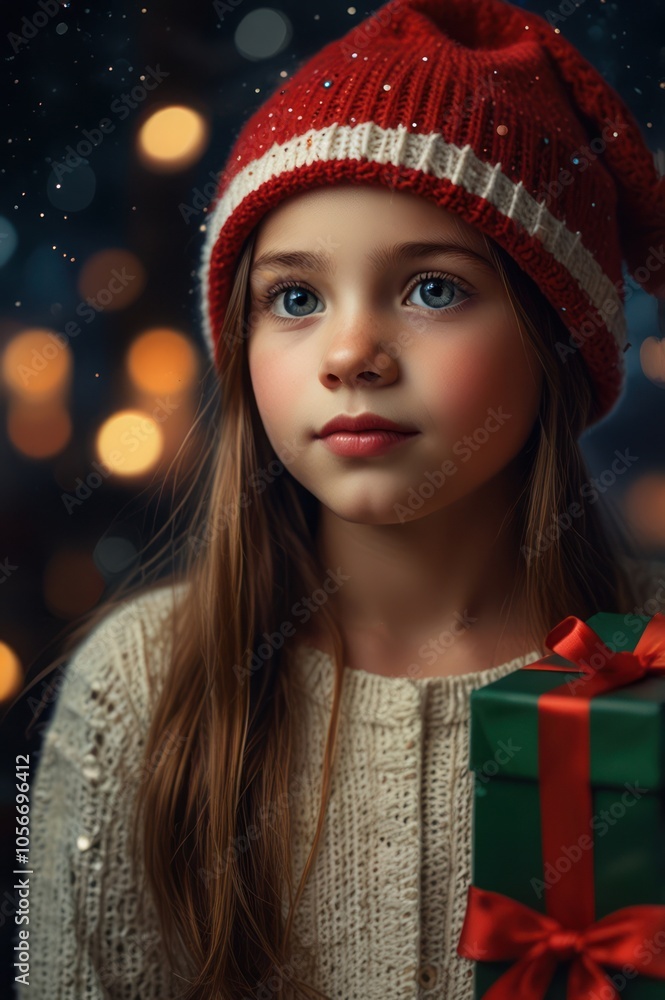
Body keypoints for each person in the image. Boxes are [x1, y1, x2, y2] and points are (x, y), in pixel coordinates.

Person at [13, 0, 665, 997]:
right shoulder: (137, 693)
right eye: (295, 297)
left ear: (555, 341)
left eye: (433, 288)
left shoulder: (645, 680)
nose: (350, 353)